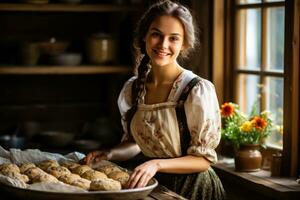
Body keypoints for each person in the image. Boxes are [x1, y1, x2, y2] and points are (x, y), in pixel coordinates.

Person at [82, 1, 225, 199]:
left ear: (184, 44)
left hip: (192, 187)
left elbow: (204, 160)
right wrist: (110, 154)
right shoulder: (132, 89)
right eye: (156, 34)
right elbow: (137, 143)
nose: (163, 44)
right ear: (145, 36)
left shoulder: (196, 90)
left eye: (173, 38)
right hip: (150, 184)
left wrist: (156, 164)